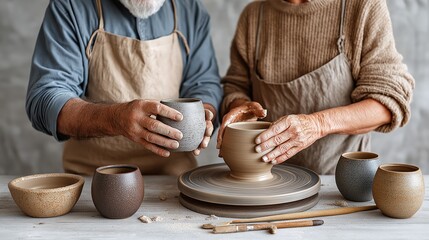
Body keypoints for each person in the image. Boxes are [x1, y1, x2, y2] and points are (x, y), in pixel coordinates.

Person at [26, 0, 222, 176]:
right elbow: (45, 98)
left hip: (173, 179)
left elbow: (204, 84)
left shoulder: (190, 10)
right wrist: (115, 118)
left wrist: (204, 115)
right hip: (93, 181)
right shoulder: (71, 6)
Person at [217, 0, 414, 174]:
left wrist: (318, 125)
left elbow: (388, 102)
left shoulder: (362, 6)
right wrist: (239, 105)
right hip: (266, 182)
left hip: (338, 185)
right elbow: (236, 85)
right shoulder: (254, 15)